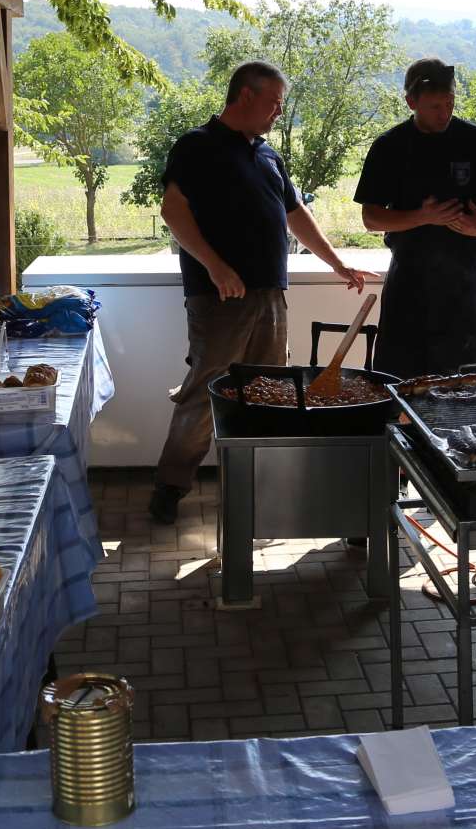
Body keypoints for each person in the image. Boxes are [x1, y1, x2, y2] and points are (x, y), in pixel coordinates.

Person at [149, 61, 368, 525]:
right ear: (245, 96)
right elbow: (174, 212)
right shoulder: (197, 146)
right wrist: (216, 267)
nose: (277, 113)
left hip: (271, 296)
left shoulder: (268, 156)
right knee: (207, 392)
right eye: (273, 102)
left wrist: (336, 262)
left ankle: (260, 489)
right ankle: (170, 487)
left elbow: (296, 214)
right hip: (219, 299)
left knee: (267, 391)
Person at [353, 58, 476, 378]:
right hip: (410, 281)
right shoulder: (390, 146)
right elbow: (371, 218)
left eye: (450, 103)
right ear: (411, 102)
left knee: (468, 381)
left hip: (467, 280)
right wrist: (421, 216)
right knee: (400, 379)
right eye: (434, 107)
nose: (444, 113)